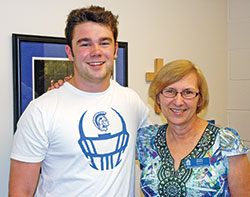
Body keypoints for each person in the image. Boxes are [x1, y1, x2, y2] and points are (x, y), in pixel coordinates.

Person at [9, 5, 149, 196]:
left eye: (104, 43)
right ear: (69, 52)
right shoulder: (41, 110)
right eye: (85, 44)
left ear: (115, 49)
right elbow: (21, 191)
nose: (96, 51)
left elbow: (165, 147)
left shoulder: (132, 102)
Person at [136, 59, 250, 196]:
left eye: (188, 92)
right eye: (170, 91)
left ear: (200, 99)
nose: (178, 101)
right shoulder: (147, 140)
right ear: (158, 98)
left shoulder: (226, 142)